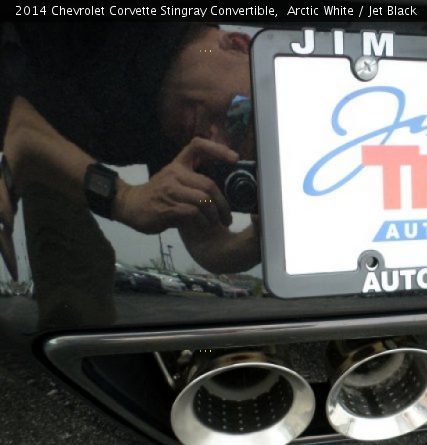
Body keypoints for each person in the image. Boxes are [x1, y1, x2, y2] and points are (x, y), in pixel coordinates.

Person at [0, 23, 261, 327]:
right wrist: (124, 198)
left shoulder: (180, 131)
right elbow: (21, 128)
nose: (217, 141)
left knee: (78, 294)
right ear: (237, 44)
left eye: (237, 149)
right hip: (21, 99)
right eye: (238, 118)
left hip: (51, 145)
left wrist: (260, 238)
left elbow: (207, 243)